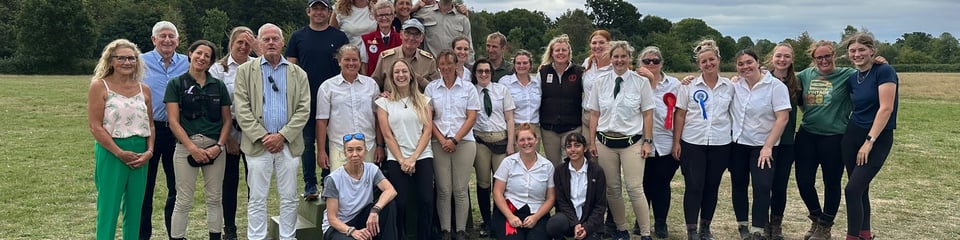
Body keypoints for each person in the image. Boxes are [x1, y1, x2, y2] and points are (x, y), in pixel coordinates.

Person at [234, 23, 313, 240]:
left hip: (288, 144)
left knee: (289, 198)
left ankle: (288, 237)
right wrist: (263, 136)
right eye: (266, 39)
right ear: (258, 43)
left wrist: (283, 136)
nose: (270, 43)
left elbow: (303, 109)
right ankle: (257, 237)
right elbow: (242, 108)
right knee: (257, 198)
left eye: (274, 39)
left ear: (282, 42)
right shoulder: (244, 72)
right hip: (258, 145)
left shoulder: (298, 73)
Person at [585, 41, 655, 240]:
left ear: (629, 58)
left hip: (632, 143)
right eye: (616, 57)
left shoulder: (640, 82)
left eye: (623, 56)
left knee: (634, 188)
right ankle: (622, 229)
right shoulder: (600, 82)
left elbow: (648, 114)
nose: (619, 60)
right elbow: (594, 114)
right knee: (612, 189)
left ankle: (645, 233)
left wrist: (647, 141)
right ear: (611, 58)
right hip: (605, 142)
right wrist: (591, 142)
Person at [165, 40, 233, 240]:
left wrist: (219, 146)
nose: (202, 58)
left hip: (215, 148)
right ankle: (177, 237)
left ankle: (215, 236)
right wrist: (191, 148)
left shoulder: (218, 86)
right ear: (190, 53)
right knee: (183, 200)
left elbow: (227, 120)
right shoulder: (176, 84)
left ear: (212, 61)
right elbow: (173, 121)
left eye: (207, 56)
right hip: (186, 147)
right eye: (199, 53)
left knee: (214, 198)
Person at [88, 39, 154, 240]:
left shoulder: (144, 89)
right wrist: (119, 152)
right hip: (112, 150)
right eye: (122, 58)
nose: (127, 62)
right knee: (109, 208)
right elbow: (95, 126)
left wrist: (149, 152)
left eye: (132, 58)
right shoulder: (100, 86)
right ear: (111, 60)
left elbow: (150, 125)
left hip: (140, 152)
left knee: (135, 209)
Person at [286, 0, 349, 200]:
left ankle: (328, 181)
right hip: (307, 99)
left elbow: (347, 64)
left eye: (323, 9)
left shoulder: (339, 37)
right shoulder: (298, 37)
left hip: (334, 99)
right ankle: (310, 185)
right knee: (307, 143)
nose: (319, 12)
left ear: (329, 12)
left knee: (331, 142)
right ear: (308, 11)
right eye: (315, 9)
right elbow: (290, 68)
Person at [795, 40, 856, 240]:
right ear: (813, 59)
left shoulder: (847, 75)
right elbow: (779, 79)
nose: (824, 60)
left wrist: (879, 62)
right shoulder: (805, 75)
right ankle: (816, 217)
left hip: (835, 137)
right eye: (819, 57)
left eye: (827, 56)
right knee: (804, 181)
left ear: (834, 56)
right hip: (807, 135)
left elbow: (870, 74)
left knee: (831, 182)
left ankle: (825, 227)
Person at [673, 39, 734, 240]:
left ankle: (705, 228)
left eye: (712, 59)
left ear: (718, 59)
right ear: (698, 64)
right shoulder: (688, 86)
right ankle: (691, 231)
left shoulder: (730, 86)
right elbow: (680, 114)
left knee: (711, 187)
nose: (708, 64)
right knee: (694, 186)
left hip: (720, 143)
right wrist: (677, 142)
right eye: (704, 61)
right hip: (693, 143)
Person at [728, 49, 791, 240]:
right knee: (738, 184)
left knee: (762, 186)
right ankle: (743, 226)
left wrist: (768, 147)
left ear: (757, 63)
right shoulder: (735, 85)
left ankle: (758, 230)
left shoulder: (775, 86)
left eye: (749, 62)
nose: (745, 67)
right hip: (738, 143)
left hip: (763, 146)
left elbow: (783, 118)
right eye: (740, 64)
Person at [841, 33, 898, 240]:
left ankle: (852, 237)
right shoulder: (851, 77)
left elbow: (886, 108)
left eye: (862, 50)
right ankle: (865, 234)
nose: (857, 54)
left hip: (877, 138)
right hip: (852, 135)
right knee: (860, 189)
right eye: (853, 51)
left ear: (872, 51)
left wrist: (869, 141)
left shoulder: (884, 71)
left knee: (852, 190)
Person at [376, 60, 436, 239]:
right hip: (397, 158)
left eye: (404, 71)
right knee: (400, 202)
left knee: (426, 200)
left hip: (422, 155)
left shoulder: (423, 100)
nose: (401, 75)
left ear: (411, 75)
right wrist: (402, 160)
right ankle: (399, 235)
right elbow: (387, 135)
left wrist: (414, 158)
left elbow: (427, 130)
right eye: (396, 72)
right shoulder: (383, 103)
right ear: (392, 77)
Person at [141, 20, 189, 240]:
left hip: (176, 131)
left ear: (178, 40)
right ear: (154, 39)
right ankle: (142, 235)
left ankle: (175, 234)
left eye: (171, 36)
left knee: (177, 187)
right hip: (147, 131)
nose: (167, 40)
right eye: (163, 36)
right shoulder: (140, 62)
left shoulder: (187, 63)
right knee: (144, 189)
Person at [208, 26, 257, 240]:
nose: (244, 47)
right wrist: (227, 138)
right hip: (227, 130)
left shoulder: (258, 66)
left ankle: (255, 225)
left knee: (254, 182)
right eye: (240, 42)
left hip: (254, 132)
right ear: (231, 43)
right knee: (228, 182)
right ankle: (230, 228)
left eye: (248, 43)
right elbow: (213, 105)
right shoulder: (218, 70)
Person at [425, 50, 480, 240]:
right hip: (438, 142)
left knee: (460, 189)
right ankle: (446, 230)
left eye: (450, 64)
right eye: (442, 64)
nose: (446, 68)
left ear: (457, 65)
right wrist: (442, 140)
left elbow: (472, 116)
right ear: (438, 67)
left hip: (463, 142)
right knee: (443, 189)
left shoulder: (468, 88)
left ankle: (461, 230)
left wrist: (455, 139)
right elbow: (428, 119)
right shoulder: (431, 88)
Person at [635, 46, 682, 239]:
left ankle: (661, 222)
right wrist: (650, 83)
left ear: (661, 63)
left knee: (662, 184)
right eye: (647, 61)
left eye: (655, 61)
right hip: (640, 141)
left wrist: (677, 142)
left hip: (666, 140)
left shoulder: (675, 84)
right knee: (643, 184)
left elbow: (679, 113)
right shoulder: (635, 81)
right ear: (641, 64)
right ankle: (641, 221)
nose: (651, 64)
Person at [315, 45, 383, 173]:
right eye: (347, 60)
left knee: (367, 188)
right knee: (341, 188)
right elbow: (322, 121)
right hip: (339, 146)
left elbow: (377, 118)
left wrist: (380, 146)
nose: (351, 63)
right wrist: (321, 151)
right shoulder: (327, 87)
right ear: (339, 61)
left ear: (360, 61)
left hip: (368, 145)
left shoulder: (371, 85)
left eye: (354, 60)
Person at [321, 133, 399, 240]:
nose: (355, 154)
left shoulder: (371, 169)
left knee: (389, 205)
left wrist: (375, 211)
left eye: (359, 149)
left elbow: (391, 190)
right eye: (350, 150)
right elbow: (332, 218)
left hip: (362, 217)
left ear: (365, 151)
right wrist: (352, 231)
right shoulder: (333, 179)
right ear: (344, 153)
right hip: (339, 226)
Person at [471, 58, 517, 237]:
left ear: (491, 73)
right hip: (481, 141)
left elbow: (510, 118)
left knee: (502, 184)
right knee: (483, 183)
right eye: (480, 71)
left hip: (501, 141)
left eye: (487, 71)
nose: (483, 74)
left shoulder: (501, 90)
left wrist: (511, 143)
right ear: (475, 74)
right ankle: (487, 221)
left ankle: (500, 220)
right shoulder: (471, 91)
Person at [762, 42, 801, 240]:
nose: (782, 60)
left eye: (786, 56)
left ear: (792, 59)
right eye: (778, 56)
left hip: (786, 143)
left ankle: (776, 224)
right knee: (763, 184)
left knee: (779, 185)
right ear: (772, 58)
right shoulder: (762, 78)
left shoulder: (798, 82)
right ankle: (760, 223)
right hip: (763, 142)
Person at [491, 123, 556, 240]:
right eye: (522, 140)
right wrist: (510, 217)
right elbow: (497, 192)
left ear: (536, 140)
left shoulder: (547, 166)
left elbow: (551, 198)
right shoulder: (508, 162)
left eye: (530, 139)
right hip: (510, 211)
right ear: (516, 142)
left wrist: (535, 217)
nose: (526, 143)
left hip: (537, 213)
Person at [547, 132, 608, 240]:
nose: (573, 149)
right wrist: (575, 224)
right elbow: (561, 202)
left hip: (590, 222)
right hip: (569, 219)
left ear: (585, 148)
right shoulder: (560, 171)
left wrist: (586, 227)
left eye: (577, 145)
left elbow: (600, 206)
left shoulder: (597, 171)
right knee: (553, 225)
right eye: (569, 146)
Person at [538, 34, 585, 166]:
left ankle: (569, 187)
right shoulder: (543, 72)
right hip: (549, 129)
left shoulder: (579, 72)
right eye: (557, 50)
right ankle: (555, 187)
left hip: (572, 127)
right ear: (551, 53)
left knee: (569, 164)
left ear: (569, 52)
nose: (560, 53)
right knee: (553, 165)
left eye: (563, 50)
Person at [370, 19, 440, 91]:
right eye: (408, 33)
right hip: (391, 100)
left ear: (422, 38)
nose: (411, 38)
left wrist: (420, 80)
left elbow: (436, 89)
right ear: (401, 34)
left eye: (416, 34)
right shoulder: (386, 58)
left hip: (418, 101)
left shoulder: (428, 60)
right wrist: (381, 95)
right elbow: (374, 84)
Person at [499, 50, 542, 148]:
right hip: (515, 127)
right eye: (518, 63)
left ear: (530, 65)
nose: (521, 66)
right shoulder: (505, 82)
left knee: (533, 160)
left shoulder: (537, 83)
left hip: (534, 127)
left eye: (525, 63)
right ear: (514, 65)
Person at [581, 30, 612, 142]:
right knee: (589, 153)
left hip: (606, 117)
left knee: (603, 155)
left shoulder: (616, 65)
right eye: (594, 43)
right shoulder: (587, 63)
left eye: (601, 43)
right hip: (587, 117)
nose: (597, 46)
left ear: (609, 44)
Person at [360, 1, 402, 75]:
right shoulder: (366, 39)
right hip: (374, 82)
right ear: (375, 18)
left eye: (387, 14)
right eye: (380, 15)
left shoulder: (401, 38)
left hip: (396, 81)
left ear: (392, 17)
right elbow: (364, 65)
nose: (384, 18)